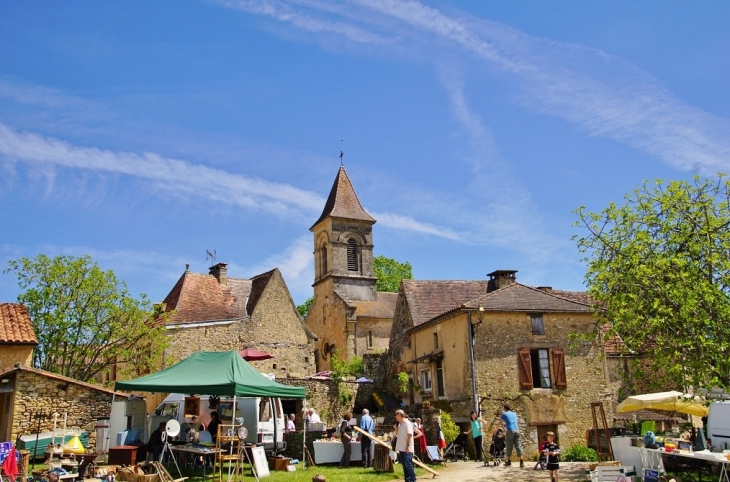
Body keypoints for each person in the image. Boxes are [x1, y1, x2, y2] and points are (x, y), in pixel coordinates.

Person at [395, 409, 416, 482]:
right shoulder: (400, 424)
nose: (395, 417)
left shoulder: (407, 423)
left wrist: (408, 445)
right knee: (404, 465)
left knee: (408, 464)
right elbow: (398, 435)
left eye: (396, 415)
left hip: (407, 448)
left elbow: (410, 434)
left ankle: (413, 479)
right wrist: (396, 429)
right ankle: (407, 479)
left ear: (400, 415)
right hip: (402, 448)